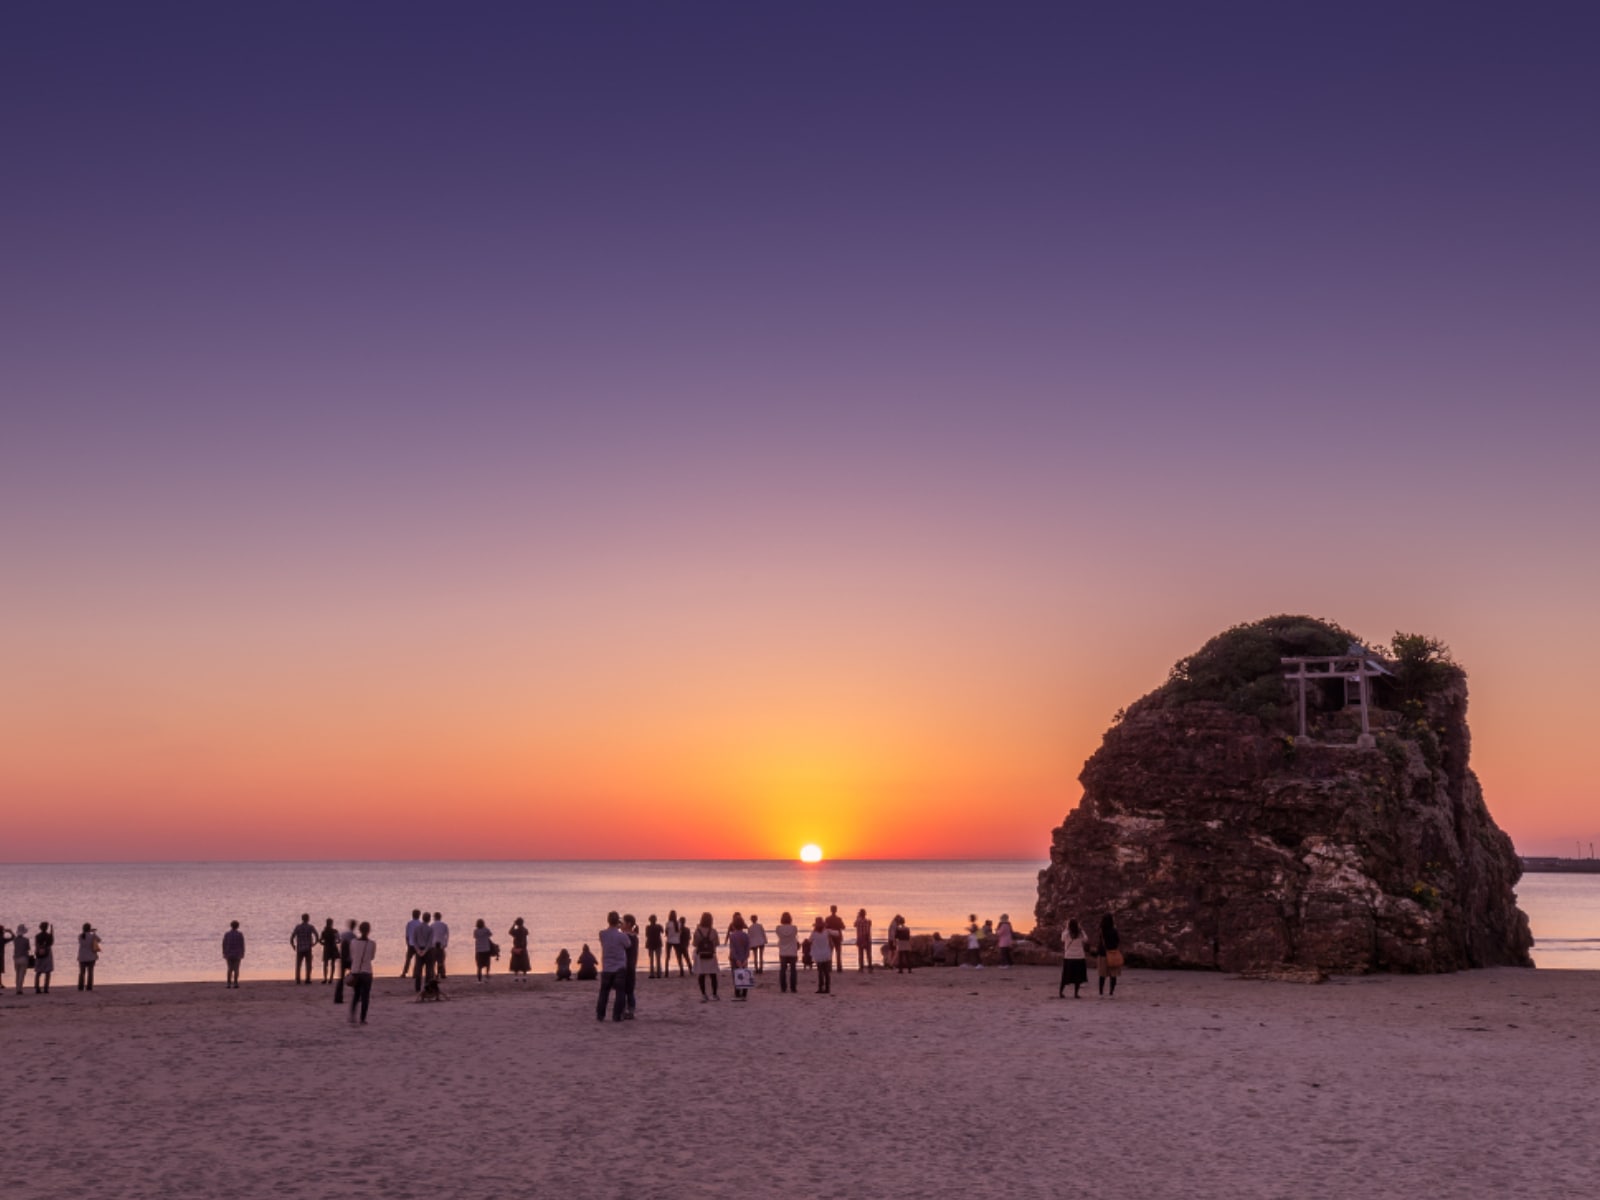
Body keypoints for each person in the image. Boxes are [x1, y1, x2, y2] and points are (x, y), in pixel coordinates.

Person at [596, 912, 630, 1023]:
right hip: (619, 966)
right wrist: (621, 928)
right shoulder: (621, 936)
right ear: (618, 922)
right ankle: (617, 1015)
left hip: (607, 967)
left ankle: (600, 1015)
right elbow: (628, 944)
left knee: (604, 992)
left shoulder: (602, 934)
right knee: (620, 992)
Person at [347, 921, 376, 1025]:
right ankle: (362, 1019)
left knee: (356, 994)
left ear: (359, 930)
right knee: (365, 997)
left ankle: (352, 1015)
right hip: (367, 972)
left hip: (355, 971)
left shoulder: (353, 942)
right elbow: (372, 957)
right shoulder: (372, 944)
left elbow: (352, 956)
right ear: (368, 931)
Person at [692, 911, 720, 1002]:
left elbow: (694, 944)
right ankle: (714, 994)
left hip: (701, 955)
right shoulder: (713, 931)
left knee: (701, 975)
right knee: (713, 975)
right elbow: (717, 943)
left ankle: (703, 994)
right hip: (711, 955)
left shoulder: (697, 931)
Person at [1060, 918, 1089, 999]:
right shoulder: (1080, 933)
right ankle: (1076, 994)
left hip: (1068, 957)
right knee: (1078, 977)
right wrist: (1082, 930)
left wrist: (1066, 928)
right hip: (1079, 957)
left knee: (1065, 976)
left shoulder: (1066, 933)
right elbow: (1086, 939)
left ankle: (1061, 992)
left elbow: (1062, 939)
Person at [1097, 914, 1123, 996]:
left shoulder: (1101, 930)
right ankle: (1111, 991)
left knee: (1102, 974)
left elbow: (1100, 942)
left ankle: (1101, 991)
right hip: (1113, 953)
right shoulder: (1114, 930)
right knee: (1113, 974)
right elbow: (1117, 941)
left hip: (1103, 953)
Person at [774, 912, 799, 994]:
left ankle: (783, 987)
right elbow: (794, 936)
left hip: (783, 951)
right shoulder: (794, 928)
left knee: (783, 970)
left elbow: (779, 936)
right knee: (793, 970)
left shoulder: (778, 928)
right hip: (792, 951)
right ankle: (793, 988)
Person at [727, 913, 750, 1001]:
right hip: (744, 958)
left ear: (734, 925)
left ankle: (737, 993)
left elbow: (732, 949)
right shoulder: (746, 935)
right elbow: (747, 948)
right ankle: (744, 993)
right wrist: (746, 958)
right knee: (744, 974)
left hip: (734, 959)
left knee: (735, 975)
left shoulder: (732, 936)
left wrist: (736, 959)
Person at [622, 914, 640, 1018]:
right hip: (632, 966)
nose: (621, 924)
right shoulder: (634, 936)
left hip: (625, 966)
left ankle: (624, 1010)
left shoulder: (626, 936)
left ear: (628, 924)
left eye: (623, 922)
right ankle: (631, 1011)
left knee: (623, 990)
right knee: (630, 991)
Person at [290, 914, 317, 985]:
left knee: (298, 964)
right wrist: (314, 943)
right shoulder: (310, 927)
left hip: (300, 948)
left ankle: (298, 979)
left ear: (302, 919)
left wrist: (293, 945)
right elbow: (316, 935)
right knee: (308, 964)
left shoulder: (298, 927)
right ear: (308, 919)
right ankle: (307, 978)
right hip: (308, 948)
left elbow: (292, 937)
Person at [809, 917, 833, 995]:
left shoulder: (814, 933)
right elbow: (832, 940)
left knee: (820, 972)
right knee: (826, 972)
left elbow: (809, 941)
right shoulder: (827, 932)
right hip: (826, 953)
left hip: (818, 955)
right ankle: (827, 988)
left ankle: (820, 987)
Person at [413, 913, 435, 993]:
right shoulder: (430, 929)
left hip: (419, 949)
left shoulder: (417, 928)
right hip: (428, 950)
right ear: (429, 919)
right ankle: (427, 987)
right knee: (429, 970)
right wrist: (425, 950)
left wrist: (418, 950)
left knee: (418, 969)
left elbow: (414, 940)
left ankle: (417, 988)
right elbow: (429, 942)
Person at [77, 923, 101, 991]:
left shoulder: (80, 936)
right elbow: (99, 940)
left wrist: (89, 932)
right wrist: (93, 933)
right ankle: (89, 987)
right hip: (91, 957)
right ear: (89, 928)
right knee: (90, 972)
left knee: (82, 972)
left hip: (82, 957)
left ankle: (81, 987)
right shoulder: (92, 936)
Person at [222, 921, 245, 988]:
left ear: (231, 926)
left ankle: (228, 983)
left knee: (229, 969)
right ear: (238, 926)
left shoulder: (227, 934)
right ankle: (235, 983)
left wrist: (224, 952)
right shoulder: (240, 934)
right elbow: (242, 944)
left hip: (229, 953)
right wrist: (242, 953)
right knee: (236, 969)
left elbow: (224, 944)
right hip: (237, 954)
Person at [34, 921, 55, 993]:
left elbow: (36, 945)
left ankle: (37, 987)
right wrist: (52, 933)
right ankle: (46, 988)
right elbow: (51, 943)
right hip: (47, 953)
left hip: (39, 953)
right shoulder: (48, 936)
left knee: (38, 971)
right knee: (47, 972)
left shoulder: (37, 936)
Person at [824, 905, 846, 972]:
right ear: (836, 910)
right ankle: (839, 967)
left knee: (830, 953)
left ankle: (829, 967)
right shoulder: (838, 919)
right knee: (838, 953)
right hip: (837, 937)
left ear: (831, 910)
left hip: (830, 937)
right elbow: (843, 927)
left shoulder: (828, 919)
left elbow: (825, 927)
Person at [401, 909, 422, 979]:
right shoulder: (420, 924)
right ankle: (415, 973)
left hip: (411, 943)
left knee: (408, 959)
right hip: (418, 944)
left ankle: (404, 972)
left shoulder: (409, 923)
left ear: (412, 915)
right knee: (417, 960)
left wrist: (407, 943)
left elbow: (407, 935)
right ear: (419, 915)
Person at [319, 918, 339, 984]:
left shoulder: (324, 931)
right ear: (332, 923)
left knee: (325, 964)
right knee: (332, 964)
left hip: (326, 948)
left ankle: (325, 978)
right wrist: (336, 942)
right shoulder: (335, 931)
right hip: (333, 947)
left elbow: (320, 940)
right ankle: (331, 978)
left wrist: (323, 943)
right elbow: (339, 940)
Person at [11, 924, 30, 995]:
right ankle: (20, 989)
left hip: (16, 958)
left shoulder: (15, 940)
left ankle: (17, 988)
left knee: (17, 974)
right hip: (24, 958)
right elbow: (28, 948)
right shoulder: (26, 940)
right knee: (22, 974)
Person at [663, 912, 683, 978]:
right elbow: (680, 932)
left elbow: (666, 932)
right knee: (679, 957)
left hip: (669, 941)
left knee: (667, 957)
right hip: (677, 941)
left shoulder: (668, 923)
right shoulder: (679, 923)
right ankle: (681, 971)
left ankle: (666, 972)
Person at [432, 912, 450, 981]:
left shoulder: (432, 925)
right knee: (441, 960)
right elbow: (447, 935)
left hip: (433, 945)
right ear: (440, 917)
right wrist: (445, 943)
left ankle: (434, 974)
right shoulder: (444, 925)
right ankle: (442, 973)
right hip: (441, 944)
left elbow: (430, 936)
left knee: (433, 961)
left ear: (434, 917)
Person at [644, 914, 664, 979]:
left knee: (651, 960)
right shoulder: (659, 926)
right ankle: (659, 973)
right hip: (658, 943)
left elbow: (646, 935)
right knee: (658, 959)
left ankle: (652, 973)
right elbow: (662, 931)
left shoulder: (648, 927)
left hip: (650, 944)